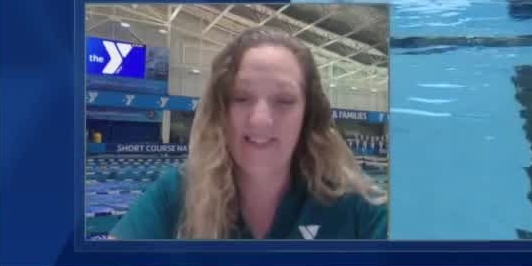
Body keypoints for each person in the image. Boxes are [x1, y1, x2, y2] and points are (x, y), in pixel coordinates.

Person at [110, 27, 387, 240]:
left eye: (284, 100)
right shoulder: (175, 194)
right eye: (241, 97)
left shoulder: (357, 207)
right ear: (221, 110)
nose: (261, 120)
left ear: (308, 114)